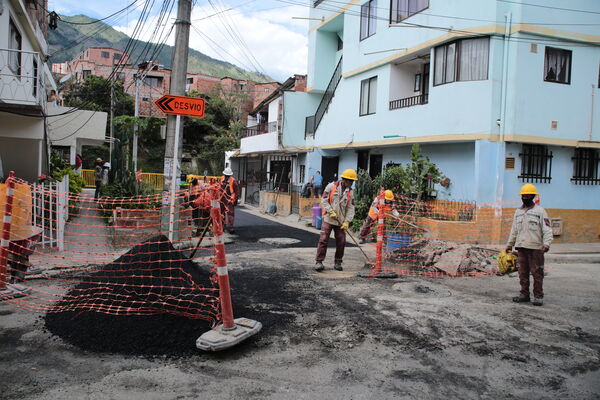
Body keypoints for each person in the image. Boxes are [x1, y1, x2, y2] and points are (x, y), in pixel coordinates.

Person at [506, 183, 553, 306]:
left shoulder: (540, 211)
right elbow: (514, 230)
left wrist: (547, 244)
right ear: (521, 197)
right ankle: (524, 295)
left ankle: (538, 296)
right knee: (522, 273)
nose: (525, 197)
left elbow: (547, 229)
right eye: (523, 195)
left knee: (537, 273)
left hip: (536, 248)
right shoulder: (518, 212)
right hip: (521, 247)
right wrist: (509, 244)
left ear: (533, 196)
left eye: (528, 195)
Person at [315, 169, 357, 272]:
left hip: (340, 221)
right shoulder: (331, 186)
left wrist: (347, 221)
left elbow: (351, 208)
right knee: (323, 239)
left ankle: (338, 262)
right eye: (350, 181)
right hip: (329, 219)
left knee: (341, 241)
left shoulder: (350, 192)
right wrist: (330, 211)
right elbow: (324, 200)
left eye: (352, 181)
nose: (351, 183)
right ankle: (319, 262)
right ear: (344, 180)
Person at [220, 167, 239, 234]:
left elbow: (236, 191)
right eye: (225, 175)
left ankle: (231, 227)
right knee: (222, 213)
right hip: (223, 198)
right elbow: (219, 188)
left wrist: (236, 199)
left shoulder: (233, 181)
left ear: (230, 175)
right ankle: (222, 226)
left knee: (230, 213)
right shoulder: (221, 179)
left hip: (230, 198)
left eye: (227, 176)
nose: (226, 176)